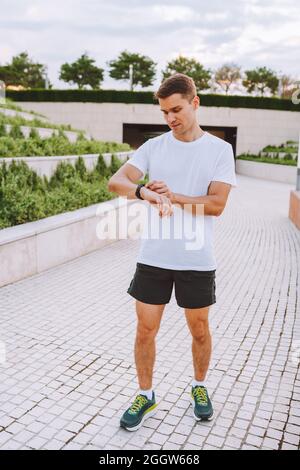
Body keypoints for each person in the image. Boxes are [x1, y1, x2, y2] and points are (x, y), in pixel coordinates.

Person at [108, 73, 237, 432]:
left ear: (195, 104)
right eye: (165, 112)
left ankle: (199, 386)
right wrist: (144, 193)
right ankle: (146, 394)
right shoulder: (154, 147)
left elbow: (216, 204)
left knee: (199, 330)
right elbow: (116, 181)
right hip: (153, 258)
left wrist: (173, 195)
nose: (170, 118)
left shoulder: (218, 150)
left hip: (197, 259)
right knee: (145, 331)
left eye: (177, 109)